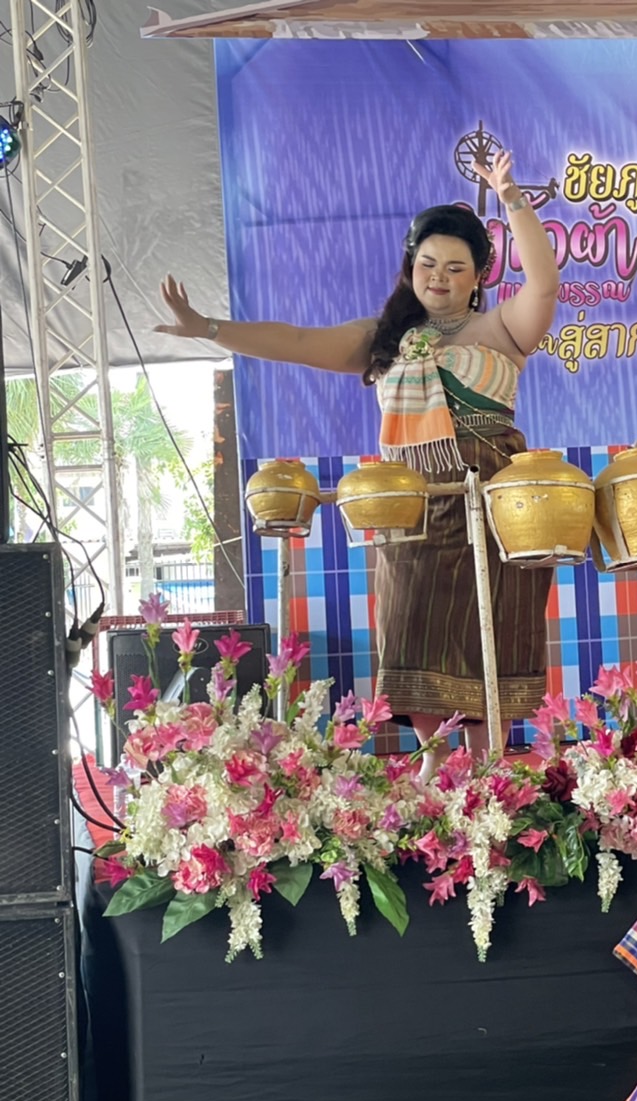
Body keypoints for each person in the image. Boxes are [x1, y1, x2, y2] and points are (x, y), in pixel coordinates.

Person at [155, 152, 559, 773]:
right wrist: (207, 327)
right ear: (410, 269)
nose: (440, 277)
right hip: (412, 504)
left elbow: (544, 285)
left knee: (492, 623)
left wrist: (511, 199)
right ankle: (431, 758)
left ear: (479, 275)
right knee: (414, 623)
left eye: (456, 267)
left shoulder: (503, 328)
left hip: (491, 497)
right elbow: (292, 341)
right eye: (428, 264)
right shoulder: (384, 339)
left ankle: (490, 759)